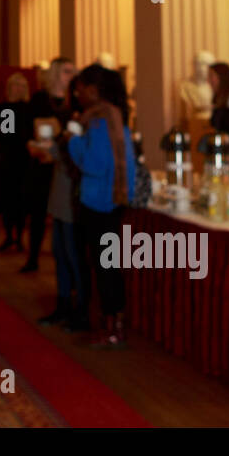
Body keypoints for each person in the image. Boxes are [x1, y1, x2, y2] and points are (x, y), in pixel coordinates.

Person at [66, 64, 136, 348]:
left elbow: (93, 163)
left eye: (81, 87)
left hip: (98, 202)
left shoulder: (97, 120)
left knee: (105, 267)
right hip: (113, 201)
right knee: (109, 265)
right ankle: (113, 325)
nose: (78, 92)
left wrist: (73, 141)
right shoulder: (115, 115)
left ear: (94, 90)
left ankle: (112, 328)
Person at [30, 72, 88, 332]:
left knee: (74, 257)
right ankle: (63, 305)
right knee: (60, 255)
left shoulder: (87, 122)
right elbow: (60, 153)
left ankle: (80, 310)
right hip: (59, 195)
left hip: (72, 199)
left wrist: (55, 147)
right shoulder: (70, 120)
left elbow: (77, 158)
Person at [21, 57, 76, 273]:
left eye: (72, 72)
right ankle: (32, 257)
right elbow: (24, 130)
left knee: (65, 217)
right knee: (38, 213)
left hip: (67, 167)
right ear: (55, 73)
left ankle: (68, 264)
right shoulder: (39, 99)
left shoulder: (76, 100)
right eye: (66, 71)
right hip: (42, 166)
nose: (70, 76)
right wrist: (33, 145)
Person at [0, 72, 31, 251]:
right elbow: (5, 133)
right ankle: (9, 236)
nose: (19, 89)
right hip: (7, 162)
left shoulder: (29, 108)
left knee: (22, 201)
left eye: (22, 85)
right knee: (7, 201)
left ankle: (20, 237)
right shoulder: (4, 108)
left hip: (25, 161)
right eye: (16, 85)